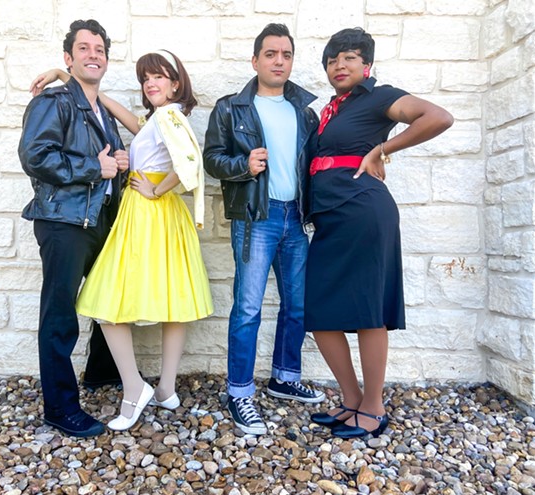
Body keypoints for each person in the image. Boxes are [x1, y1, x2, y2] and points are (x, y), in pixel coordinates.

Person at [32, 49, 213, 431]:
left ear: (176, 83)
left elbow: (191, 165)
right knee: (172, 298)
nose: (151, 83)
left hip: (147, 214)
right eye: (145, 78)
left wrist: (156, 189)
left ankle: (135, 389)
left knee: (107, 300)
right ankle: (165, 388)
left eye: (160, 76)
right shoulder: (159, 118)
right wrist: (66, 77)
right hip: (161, 218)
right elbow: (117, 111)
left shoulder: (168, 117)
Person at [305, 27, 453, 439]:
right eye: (333, 59)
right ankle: (351, 399)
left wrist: (383, 150)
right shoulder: (333, 109)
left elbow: (438, 117)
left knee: (368, 309)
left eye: (349, 57)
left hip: (364, 211)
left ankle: (373, 407)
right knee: (317, 309)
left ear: (366, 65)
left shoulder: (380, 96)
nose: (340, 64)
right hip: (332, 217)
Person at [203, 23, 325, 436]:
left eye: (286, 55)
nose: (278, 61)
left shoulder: (304, 112)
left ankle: (284, 377)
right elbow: (212, 159)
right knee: (249, 308)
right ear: (255, 61)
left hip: (295, 216)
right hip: (257, 218)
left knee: (297, 306)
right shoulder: (231, 107)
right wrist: (243, 165)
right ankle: (239, 391)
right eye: (270, 54)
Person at [18, 19, 130, 438]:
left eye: (99, 48)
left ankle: (100, 374)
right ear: (68, 58)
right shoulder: (55, 101)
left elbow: (105, 163)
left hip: (97, 221)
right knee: (60, 315)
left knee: (108, 302)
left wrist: (118, 165)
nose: (93, 54)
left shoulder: (99, 109)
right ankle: (60, 407)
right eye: (83, 48)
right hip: (63, 223)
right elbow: (35, 155)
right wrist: (93, 168)